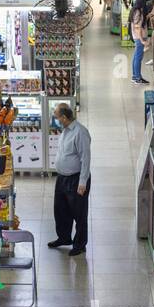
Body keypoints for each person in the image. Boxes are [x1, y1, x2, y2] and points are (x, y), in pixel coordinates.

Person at [49, 102, 91, 255]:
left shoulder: (80, 132)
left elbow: (85, 159)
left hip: (76, 179)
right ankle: (64, 237)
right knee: (60, 210)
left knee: (79, 213)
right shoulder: (65, 130)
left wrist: (82, 182)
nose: (56, 119)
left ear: (65, 117)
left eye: (57, 117)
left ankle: (80, 245)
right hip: (62, 178)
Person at [130, 0, 153, 84]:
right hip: (139, 38)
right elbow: (138, 27)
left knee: (136, 57)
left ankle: (134, 76)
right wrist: (142, 40)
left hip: (137, 37)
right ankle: (138, 78)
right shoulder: (138, 12)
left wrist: (149, 15)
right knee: (138, 58)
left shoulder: (136, 11)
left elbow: (139, 22)